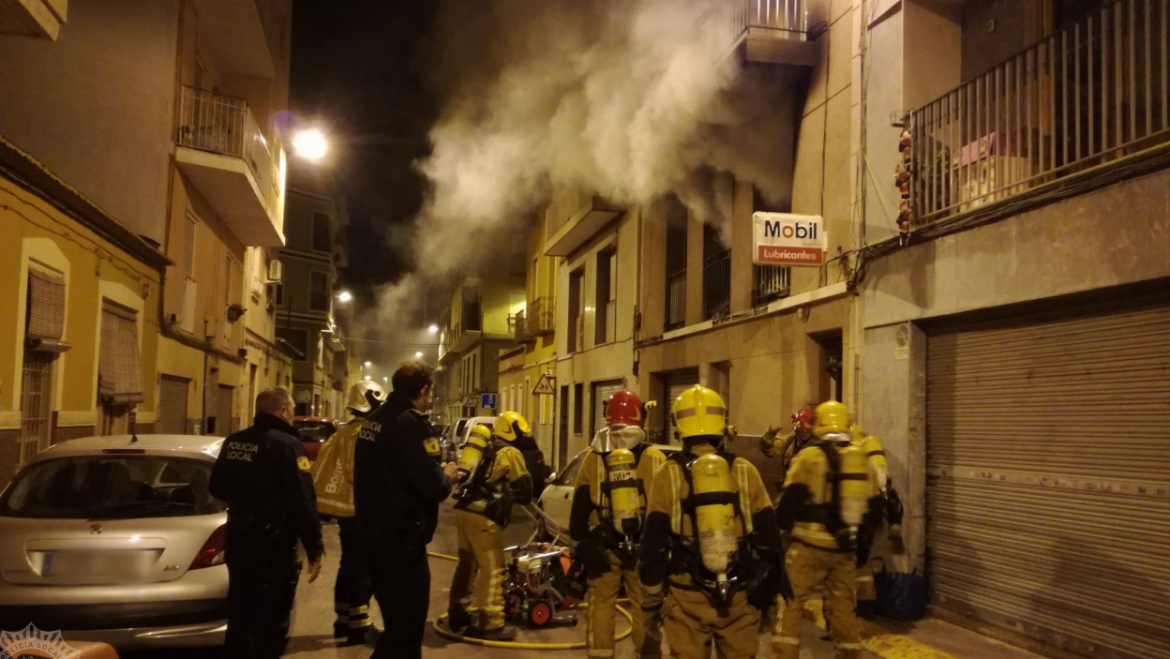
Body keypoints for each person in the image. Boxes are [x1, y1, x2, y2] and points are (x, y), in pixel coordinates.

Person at [639, 385, 782, 659]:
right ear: (722, 425)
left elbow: (653, 544)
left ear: (677, 427)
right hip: (738, 597)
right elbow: (770, 539)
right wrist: (769, 600)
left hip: (685, 597)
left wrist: (651, 603)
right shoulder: (744, 469)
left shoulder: (667, 474)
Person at [354, 361, 460, 659]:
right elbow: (432, 486)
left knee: (397, 628)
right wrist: (447, 475)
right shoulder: (411, 424)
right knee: (406, 633)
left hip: (372, 537)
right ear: (424, 390)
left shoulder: (374, 420)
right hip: (401, 543)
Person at [209, 387, 324, 659]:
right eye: (293, 409)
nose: (293, 415)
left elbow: (216, 486)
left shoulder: (234, 441)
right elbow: (303, 499)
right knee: (271, 616)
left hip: (239, 537)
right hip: (273, 543)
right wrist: (314, 546)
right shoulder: (286, 444)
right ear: (282, 410)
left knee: (240, 611)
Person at [773, 401, 883, 659]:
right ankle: (850, 655)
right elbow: (876, 506)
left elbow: (789, 505)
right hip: (844, 551)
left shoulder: (809, 457)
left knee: (791, 604)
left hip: (807, 550)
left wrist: (778, 540)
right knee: (843, 609)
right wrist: (861, 545)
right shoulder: (861, 459)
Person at [570, 390, 666, 659]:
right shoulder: (653, 457)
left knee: (601, 603)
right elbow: (665, 507)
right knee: (643, 604)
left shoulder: (594, 456)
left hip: (604, 543)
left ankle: (600, 655)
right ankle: (647, 655)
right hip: (642, 547)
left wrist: (580, 545)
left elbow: (579, 507)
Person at [448, 411, 534, 640]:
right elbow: (525, 489)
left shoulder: (484, 448)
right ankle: (492, 623)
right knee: (494, 568)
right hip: (482, 516)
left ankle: (458, 611)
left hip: (463, 510)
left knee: (467, 564)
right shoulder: (510, 452)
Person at [312, 381, 386, 645]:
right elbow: (362, 474)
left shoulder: (343, 432)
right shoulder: (363, 434)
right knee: (362, 570)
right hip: (361, 511)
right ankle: (359, 626)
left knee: (349, 565)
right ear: (372, 401)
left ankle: (343, 620)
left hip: (347, 513)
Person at [849, 423, 904, 620]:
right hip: (872, 511)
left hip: (858, 511)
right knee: (861, 559)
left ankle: (847, 610)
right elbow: (885, 486)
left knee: (849, 561)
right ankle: (866, 603)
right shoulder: (869, 449)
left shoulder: (851, 450)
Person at [759, 407, 816, 488]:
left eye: (807, 431)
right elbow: (768, 450)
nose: (804, 434)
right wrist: (770, 434)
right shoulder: (789, 441)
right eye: (801, 431)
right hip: (790, 490)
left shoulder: (819, 445)